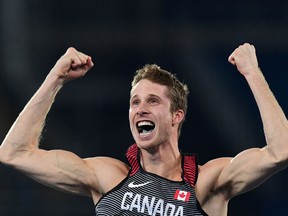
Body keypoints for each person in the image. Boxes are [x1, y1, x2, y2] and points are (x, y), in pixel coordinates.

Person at [0, 43, 287, 216]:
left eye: (152, 101)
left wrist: (252, 72)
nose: (141, 109)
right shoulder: (108, 178)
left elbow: (281, 151)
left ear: (177, 116)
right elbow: (14, 153)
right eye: (135, 102)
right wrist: (56, 77)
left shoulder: (206, 183)